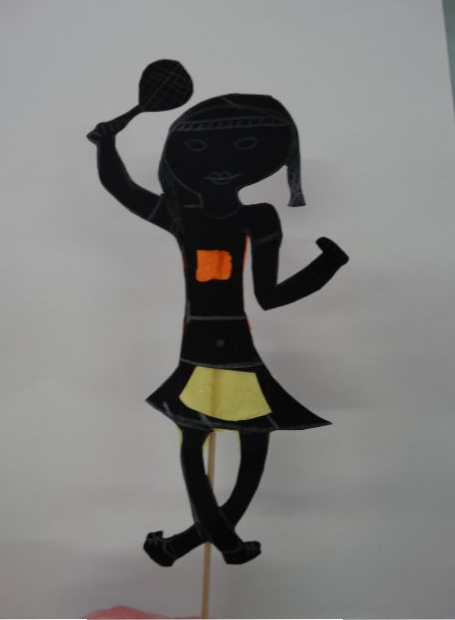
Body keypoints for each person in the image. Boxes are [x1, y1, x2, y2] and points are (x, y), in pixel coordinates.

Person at [89, 92, 349, 565]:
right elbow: (121, 188)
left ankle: (181, 547)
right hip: (223, 348)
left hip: (208, 346)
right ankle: (224, 546)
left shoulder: (240, 217)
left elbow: (269, 296)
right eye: (200, 149)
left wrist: (327, 265)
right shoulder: (201, 215)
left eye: (247, 145)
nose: (224, 164)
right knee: (231, 443)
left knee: (214, 444)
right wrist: (106, 147)